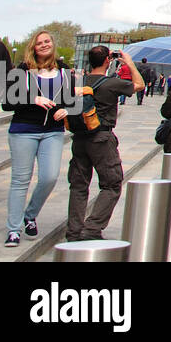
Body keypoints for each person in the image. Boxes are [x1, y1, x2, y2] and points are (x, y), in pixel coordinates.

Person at [66, 45, 144, 241]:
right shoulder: (112, 83)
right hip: (101, 138)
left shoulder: (79, 82)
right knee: (111, 184)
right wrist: (129, 64)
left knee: (78, 185)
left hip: (79, 138)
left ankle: (74, 231)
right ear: (108, 60)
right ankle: (92, 228)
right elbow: (140, 85)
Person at [2, 31, 71, 247]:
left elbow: (70, 101)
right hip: (24, 130)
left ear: (52, 44)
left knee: (49, 177)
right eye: (39, 43)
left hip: (53, 131)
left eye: (47, 41)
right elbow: (7, 104)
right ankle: (13, 230)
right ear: (33, 47)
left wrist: (67, 110)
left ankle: (30, 215)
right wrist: (33, 98)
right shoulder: (22, 70)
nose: (43, 45)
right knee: (20, 181)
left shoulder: (64, 70)